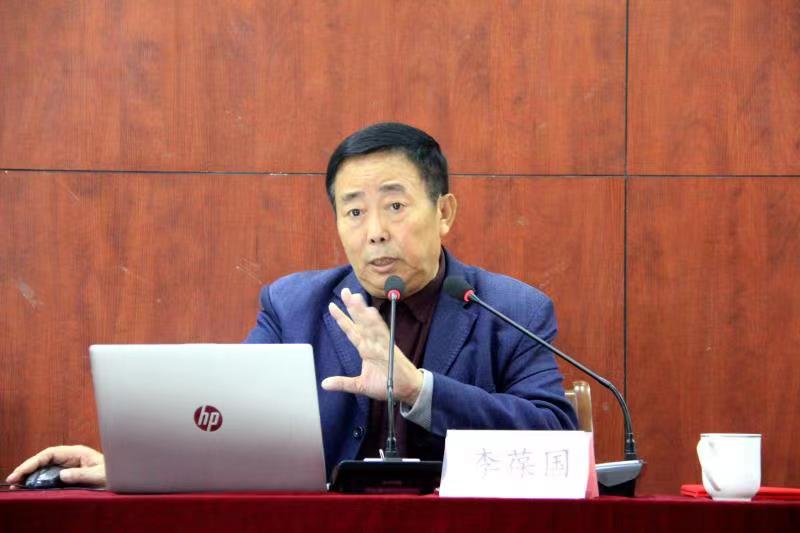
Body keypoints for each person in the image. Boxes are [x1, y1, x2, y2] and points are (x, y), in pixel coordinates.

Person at [6, 122, 577, 488]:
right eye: (354, 212)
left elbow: (557, 438)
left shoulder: (512, 310)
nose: (375, 231)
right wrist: (133, 467)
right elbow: (228, 425)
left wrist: (418, 389)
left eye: (395, 206)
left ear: (444, 212)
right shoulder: (293, 305)